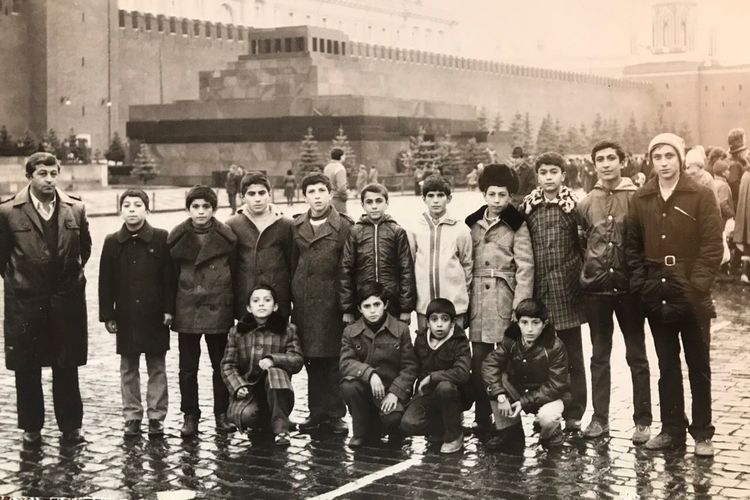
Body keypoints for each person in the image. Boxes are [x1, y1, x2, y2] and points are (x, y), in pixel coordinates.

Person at [625, 132, 722, 457]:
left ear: (680, 159)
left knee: (699, 365)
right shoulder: (642, 197)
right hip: (657, 291)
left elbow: (712, 244)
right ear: (650, 161)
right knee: (667, 365)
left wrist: (697, 285)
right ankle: (672, 429)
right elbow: (632, 247)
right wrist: (643, 284)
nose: (664, 163)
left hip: (691, 293)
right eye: (658, 157)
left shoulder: (700, 194)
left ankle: (703, 433)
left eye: (670, 156)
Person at [0, 152, 92, 446]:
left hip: (65, 301)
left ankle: (71, 427)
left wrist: (66, 282)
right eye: (42, 173)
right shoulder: (8, 212)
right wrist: (23, 282)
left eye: (53, 173)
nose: (49, 180)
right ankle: (31, 428)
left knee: (66, 365)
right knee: (27, 367)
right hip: (26, 304)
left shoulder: (75, 209)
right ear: (29, 176)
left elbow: (84, 250)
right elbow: (2, 259)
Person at [577, 141, 652, 444]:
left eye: (611, 158)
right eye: (600, 159)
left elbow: (645, 242)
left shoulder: (637, 199)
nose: (606, 164)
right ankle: (599, 418)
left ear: (622, 162)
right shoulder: (586, 203)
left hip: (629, 290)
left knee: (637, 355)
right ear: (594, 164)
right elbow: (581, 243)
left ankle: (643, 420)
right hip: (597, 291)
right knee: (599, 355)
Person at [464, 164, 534, 439]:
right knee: (479, 361)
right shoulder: (472, 223)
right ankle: (482, 417)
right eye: (491, 194)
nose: (496, 200)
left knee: (505, 363)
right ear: (484, 194)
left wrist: (520, 306)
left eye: (502, 195)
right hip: (479, 300)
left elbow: (525, 267)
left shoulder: (517, 224)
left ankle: (506, 424)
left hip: (504, 298)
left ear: (510, 196)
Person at [520, 151, 587, 434]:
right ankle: (546, 409)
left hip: (567, 290)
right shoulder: (528, 207)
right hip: (540, 293)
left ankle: (574, 412)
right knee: (543, 356)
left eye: (554, 172)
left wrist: (578, 276)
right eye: (543, 173)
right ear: (537, 177)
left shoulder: (574, 207)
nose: (548, 178)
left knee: (573, 356)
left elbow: (583, 246)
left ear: (563, 175)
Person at [99, 189, 175, 437]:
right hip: (127, 315)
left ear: (147, 209)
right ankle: (132, 415)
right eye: (127, 205)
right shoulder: (112, 241)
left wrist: (169, 309)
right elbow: (105, 281)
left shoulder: (161, 238)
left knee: (157, 367)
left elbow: (169, 278)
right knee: (128, 367)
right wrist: (108, 314)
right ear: (120, 210)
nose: (132, 210)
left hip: (154, 315)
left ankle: (156, 416)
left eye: (138, 205)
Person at [169, 186, 238, 437]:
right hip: (187, 308)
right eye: (195, 207)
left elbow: (235, 273)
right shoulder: (177, 237)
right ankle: (190, 415)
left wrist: (233, 306)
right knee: (188, 368)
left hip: (218, 308)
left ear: (213, 209)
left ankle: (222, 413)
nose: (201, 212)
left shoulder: (226, 237)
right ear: (188, 209)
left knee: (221, 365)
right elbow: (170, 278)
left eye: (206, 207)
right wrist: (170, 309)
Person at [291, 172, 353, 434]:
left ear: (330, 193)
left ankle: (336, 414)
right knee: (311, 360)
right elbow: (292, 263)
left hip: (332, 304)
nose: (317, 197)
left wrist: (347, 306)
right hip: (305, 305)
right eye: (311, 192)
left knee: (333, 360)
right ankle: (316, 411)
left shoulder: (344, 226)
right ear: (304, 196)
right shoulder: (296, 226)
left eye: (321, 191)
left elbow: (348, 268)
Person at [482, 299, 571, 451]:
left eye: (535, 323)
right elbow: (489, 364)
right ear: (517, 323)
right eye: (524, 322)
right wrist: (500, 396)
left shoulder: (555, 346)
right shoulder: (512, 340)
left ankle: (551, 434)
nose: (530, 329)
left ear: (544, 324)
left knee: (548, 417)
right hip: (521, 390)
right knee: (496, 381)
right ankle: (511, 432)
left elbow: (556, 386)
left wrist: (523, 402)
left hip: (549, 396)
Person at [220, 284, 303, 446]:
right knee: (248, 415)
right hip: (250, 390)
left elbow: (297, 359)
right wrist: (238, 386)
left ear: (275, 306)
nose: (262, 304)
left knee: (275, 372)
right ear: (249, 308)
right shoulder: (237, 332)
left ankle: (281, 429)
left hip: (278, 390)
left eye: (267, 300)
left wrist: (274, 360)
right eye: (256, 301)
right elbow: (228, 365)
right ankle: (262, 423)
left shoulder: (287, 330)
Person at [339, 281, 417, 447]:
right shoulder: (350, 331)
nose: (372, 311)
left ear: (385, 305)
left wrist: (395, 392)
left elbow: (410, 367)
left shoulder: (401, 329)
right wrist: (370, 374)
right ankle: (361, 431)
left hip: (390, 391)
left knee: (393, 419)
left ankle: (389, 428)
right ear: (360, 309)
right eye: (367, 306)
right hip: (366, 391)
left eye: (377, 304)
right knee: (349, 386)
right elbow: (346, 362)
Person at [399, 298, 471, 454]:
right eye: (434, 319)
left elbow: (462, 373)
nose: (439, 324)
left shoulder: (459, 340)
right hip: (427, 394)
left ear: (452, 323)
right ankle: (440, 428)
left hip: (454, 395)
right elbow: (413, 367)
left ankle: (454, 435)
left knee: (445, 388)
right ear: (427, 322)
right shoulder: (421, 339)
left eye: (445, 319)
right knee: (408, 424)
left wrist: (433, 377)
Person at [339, 183, 415, 324]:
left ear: (387, 203)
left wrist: (406, 308)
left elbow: (406, 270)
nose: (374, 206)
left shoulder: (397, 231)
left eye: (379, 201)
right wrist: (347, 309)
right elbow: (346, 270)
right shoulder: (355, 232)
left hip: (392, 302)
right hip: (363, 302)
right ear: (363, 205)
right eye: (369, 202)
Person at [227, 172, 294, 321]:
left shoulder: (286, 224)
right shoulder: (233, 225)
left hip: (277, 297)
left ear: (269, 194)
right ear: (242, 197)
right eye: (251, 194)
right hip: (247, 298)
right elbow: (231, 266)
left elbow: (292, 264)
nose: (257, 198)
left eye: (262, 193)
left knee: (277, 334)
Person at [408, 175, 473, 330]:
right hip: (425, 305)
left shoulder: (461, 230)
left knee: (455, 343)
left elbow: (467, 265)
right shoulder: (415, 228)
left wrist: (463, 298)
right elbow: (410, 263)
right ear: (424, 199)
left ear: (449, 198)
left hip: (454, 305)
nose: (435, 201)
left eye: (440, 195)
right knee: (425, 343)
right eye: (431, 196)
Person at [323, 147, 349, 214]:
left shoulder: (327, 167)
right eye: (344, 155)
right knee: (342, 218)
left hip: (328, 198)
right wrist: (345, 197)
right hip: (338, 200)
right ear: (341, 156)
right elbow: (342, 187)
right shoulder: (340, 168)